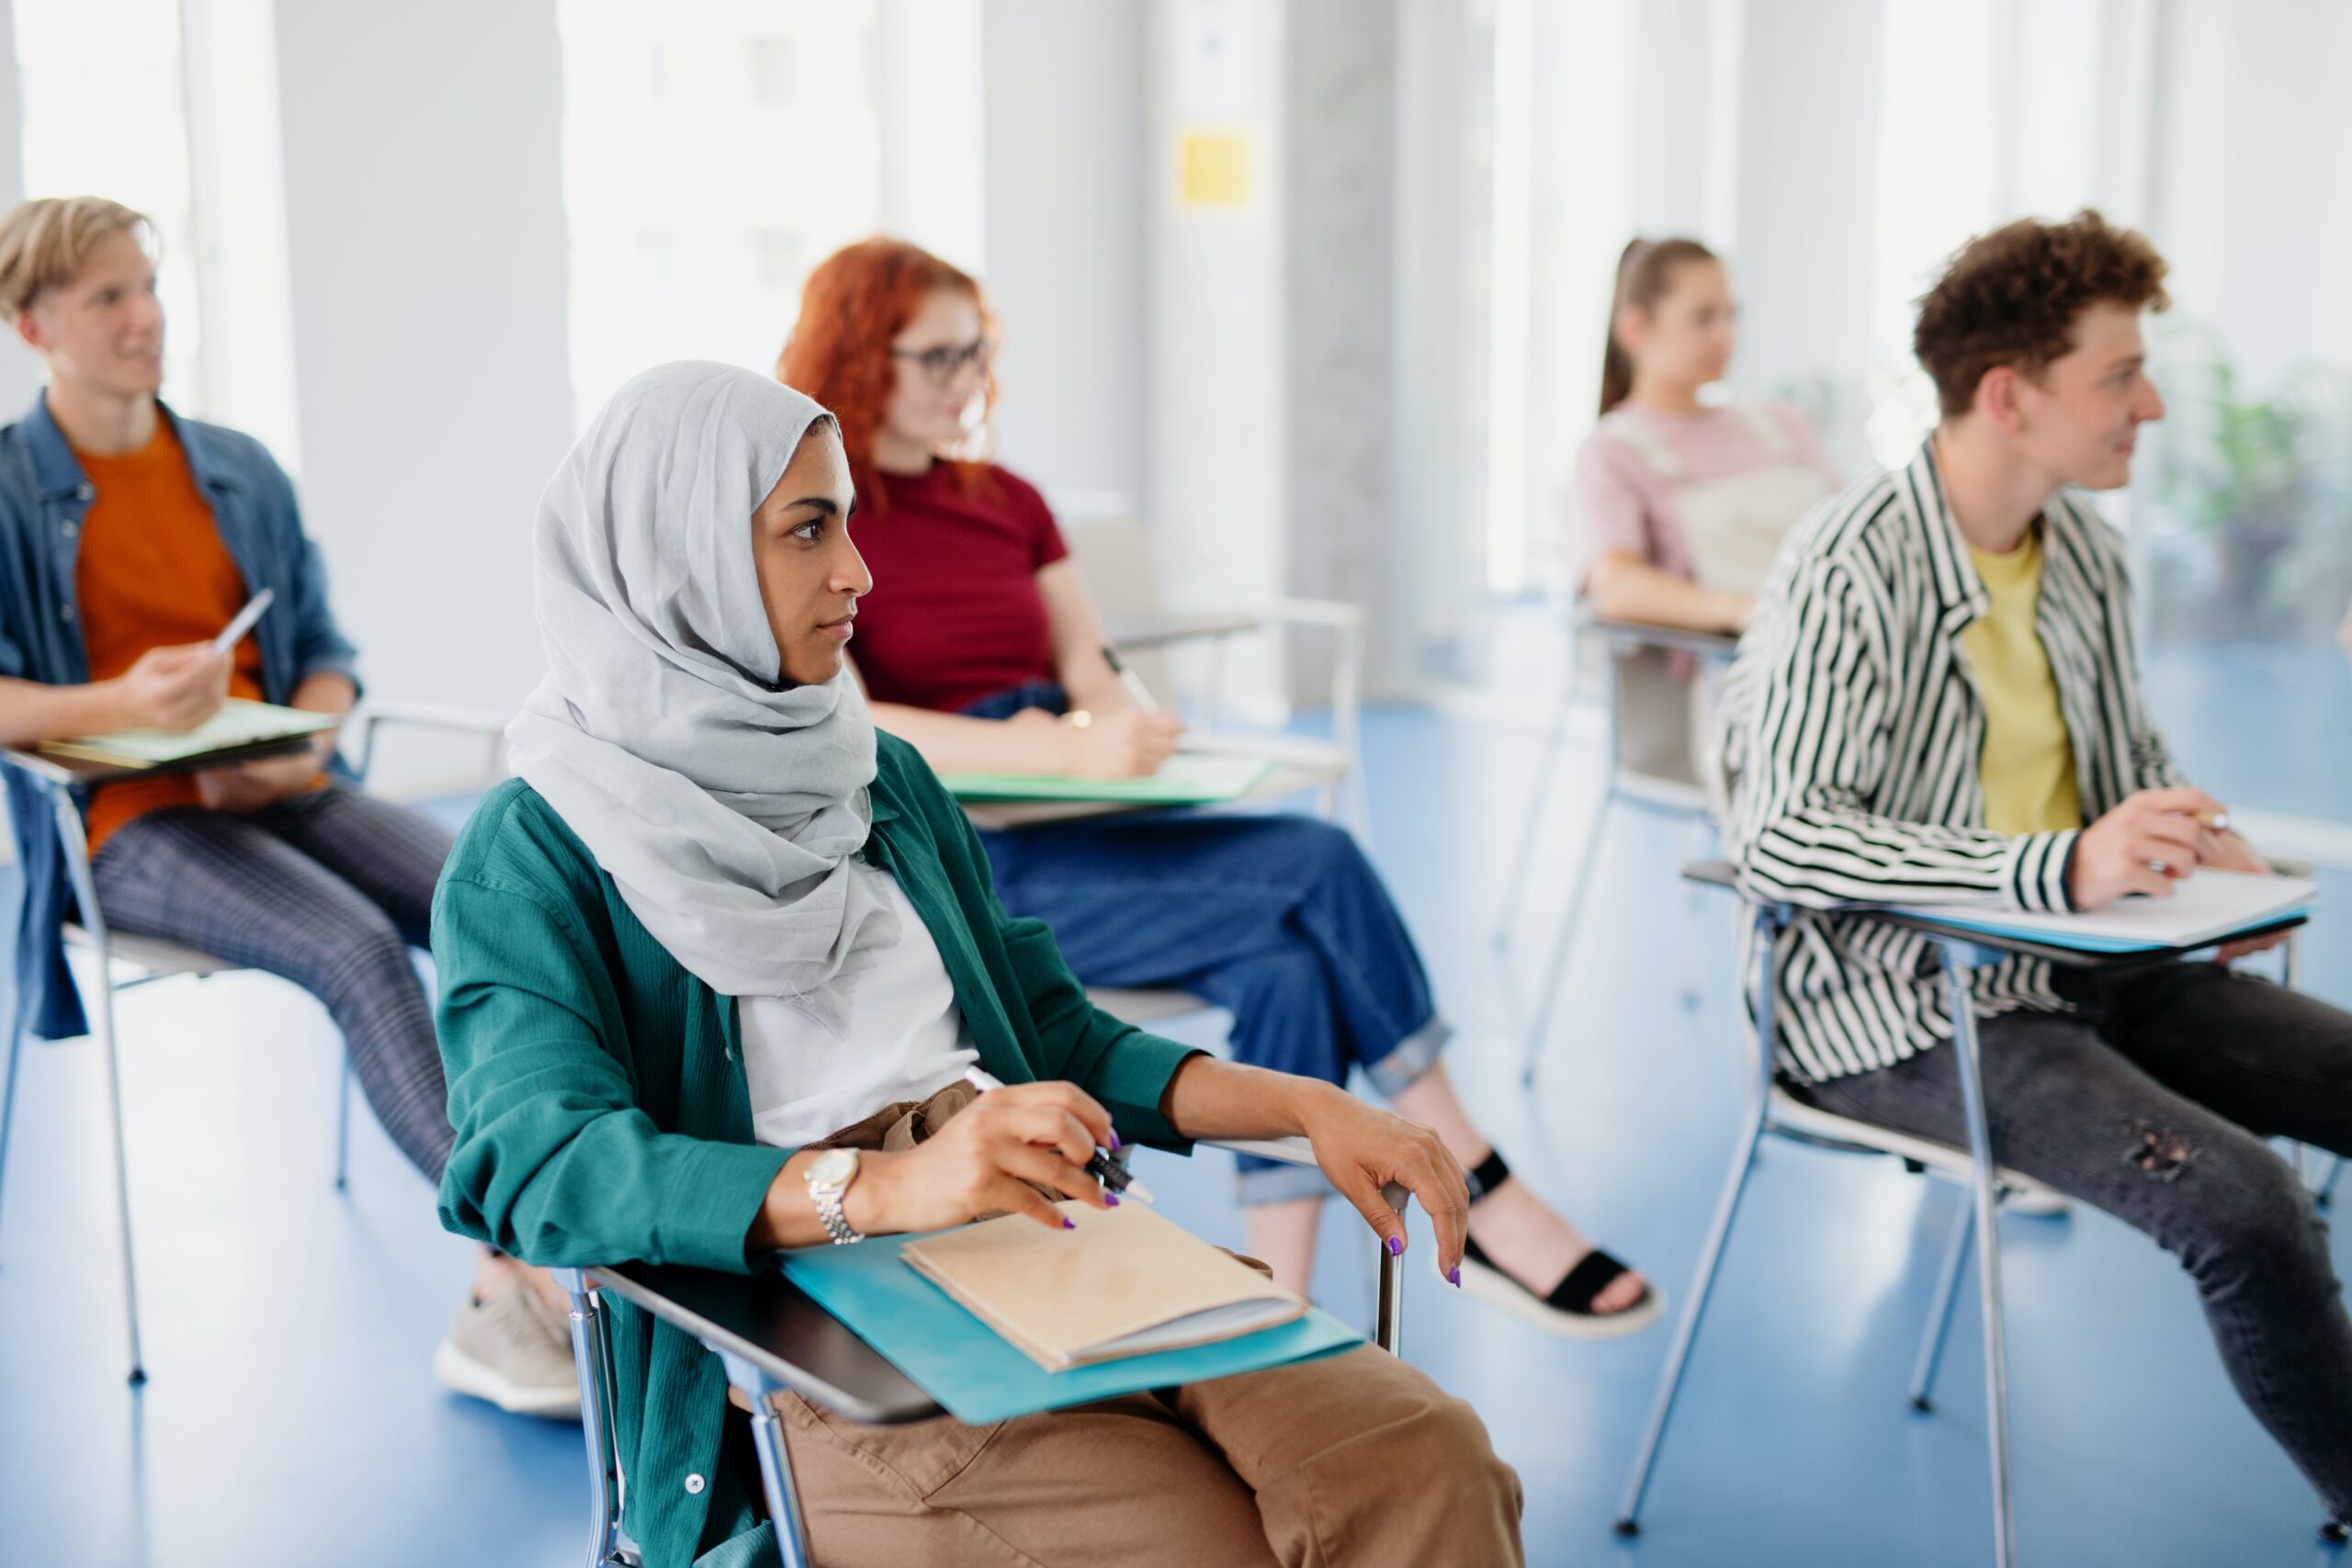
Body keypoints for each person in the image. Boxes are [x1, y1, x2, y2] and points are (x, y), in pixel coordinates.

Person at [433, 361, 1527, 1567]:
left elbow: (1057, 1036)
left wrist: (1305, 1104)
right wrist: (885, 1186)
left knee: (1431, 1459)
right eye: (808, 529)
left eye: (845, 519)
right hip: (822, 1342)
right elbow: (532, 1164)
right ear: (675, 557)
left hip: (1061, 1243)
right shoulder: (534, 849)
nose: (857, 570)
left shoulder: (876, 773)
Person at [774, 236, 1657, 1334]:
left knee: (1287, 964)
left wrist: (1119, 723)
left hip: (1084, 829)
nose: (967, 379)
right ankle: (1474, 1173)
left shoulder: (1012, 501)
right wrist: (1061, 749)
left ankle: (1281, 1305)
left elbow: (1088, 663)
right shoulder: (823, 517)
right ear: (860, 356)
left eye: (977, 351)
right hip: (964, 865)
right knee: (1317, 862)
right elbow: (846, 723)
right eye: (937, 356)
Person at [1720, 209, 2352, 1532]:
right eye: (2119, 375)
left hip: (2091, 968)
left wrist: (2185, 840)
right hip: (1894, 1008)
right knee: (2245, 1208)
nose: (2153, 402)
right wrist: (2065, 865)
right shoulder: (1851, 562)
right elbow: (1781, 832)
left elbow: (2119, 774)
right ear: (2009, 395)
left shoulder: (2089, 560)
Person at [0, 197, 573, 1416]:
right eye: (107, 296)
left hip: (279, 786)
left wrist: (299, 735)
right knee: (358, 950)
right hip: (123, 827)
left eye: (147, 285)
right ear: (28, 321)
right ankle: (521, 1257)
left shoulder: (236, 465)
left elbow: (324, 650)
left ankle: (577, 1188)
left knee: (504, 898)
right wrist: (123, 704)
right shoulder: (5, 492)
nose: (144, 315)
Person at [1566, 236, 1841, 636]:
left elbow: (1853, 532)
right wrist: (1746, 611)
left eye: (1732, 315)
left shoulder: (1785, 424)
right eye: (1703, 318)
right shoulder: (1611, 452)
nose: (1726, 335)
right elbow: (1615, 587)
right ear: (1635, 328)